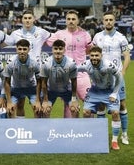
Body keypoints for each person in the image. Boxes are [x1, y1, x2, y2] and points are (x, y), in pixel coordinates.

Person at [92, 10, 131, 145]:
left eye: (110, 20)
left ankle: (124, 134)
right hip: (100, 78)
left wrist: (123, 72)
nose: (108, 22)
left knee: (122, 106)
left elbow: (127, 57)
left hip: (116, 78)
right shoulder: (97, 37)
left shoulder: (121, 37)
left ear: (114, 21)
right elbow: (93, 55)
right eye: (106, 20)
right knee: (101, 105)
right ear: (102, 21)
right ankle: (101, 135)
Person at [4, 9, 51, 118]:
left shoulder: (41, 32)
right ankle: (21, 129)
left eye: (30, 18)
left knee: (38, 109)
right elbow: (4, 42)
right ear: (22, 20)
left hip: (34, 73)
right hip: (19, 75)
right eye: (25, 18)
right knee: (19, 105)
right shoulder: (16, 34)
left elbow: (53, 38)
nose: (27, 20)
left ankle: (37, 129)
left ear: (34, 19)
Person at [47, 9, 92, 118]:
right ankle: (71, 132)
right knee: (70, 107)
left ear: (78, 21)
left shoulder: (85, 34)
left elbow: (90, 49)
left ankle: (91, 132)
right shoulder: (58, 34)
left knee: (90, 103)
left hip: (82, 75)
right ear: (65, 21)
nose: (71, 21)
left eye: (73, 19)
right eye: (68, 19)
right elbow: (46, 41)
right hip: (65, 77)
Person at [78, 46, 123, 150]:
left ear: (101, 56)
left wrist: (114, 93)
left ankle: (114, 141)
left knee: (116, 113)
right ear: (89, 56)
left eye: (97, 55)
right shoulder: (86, 64)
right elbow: (74, 69)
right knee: (86, 112)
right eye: (92, 55)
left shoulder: (108, 65)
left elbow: (119, 77)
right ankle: (90, 136)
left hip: (109, 91)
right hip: (95, 91)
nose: (94, 58)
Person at [39, 39, 79, 118]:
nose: (58, 51)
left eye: (60, 49)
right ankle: (46, 130)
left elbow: (74, 81)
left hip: (67, 91)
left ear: (64, 50)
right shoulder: (46, 63)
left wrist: (74, 99)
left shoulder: (71, 63)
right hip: (51, 91)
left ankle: (75, 129)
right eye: (55, 49)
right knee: (45, 110)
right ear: (52, 49)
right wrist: (46, 100)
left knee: (75, 109)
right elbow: (43, 83)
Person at [4, 39, 41, 118]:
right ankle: (17, 129)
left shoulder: (34, 62)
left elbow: (39, 81)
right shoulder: (11, 62)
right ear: (16, 49)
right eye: (20, 49)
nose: (22, 51)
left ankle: (37, 129)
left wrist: (38, 100)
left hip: (31, 88)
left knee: (37, 109)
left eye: (24, 49)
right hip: (16, 88)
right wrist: (9, 101)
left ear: (29, 49)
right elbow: (7, 82)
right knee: (10, 110)